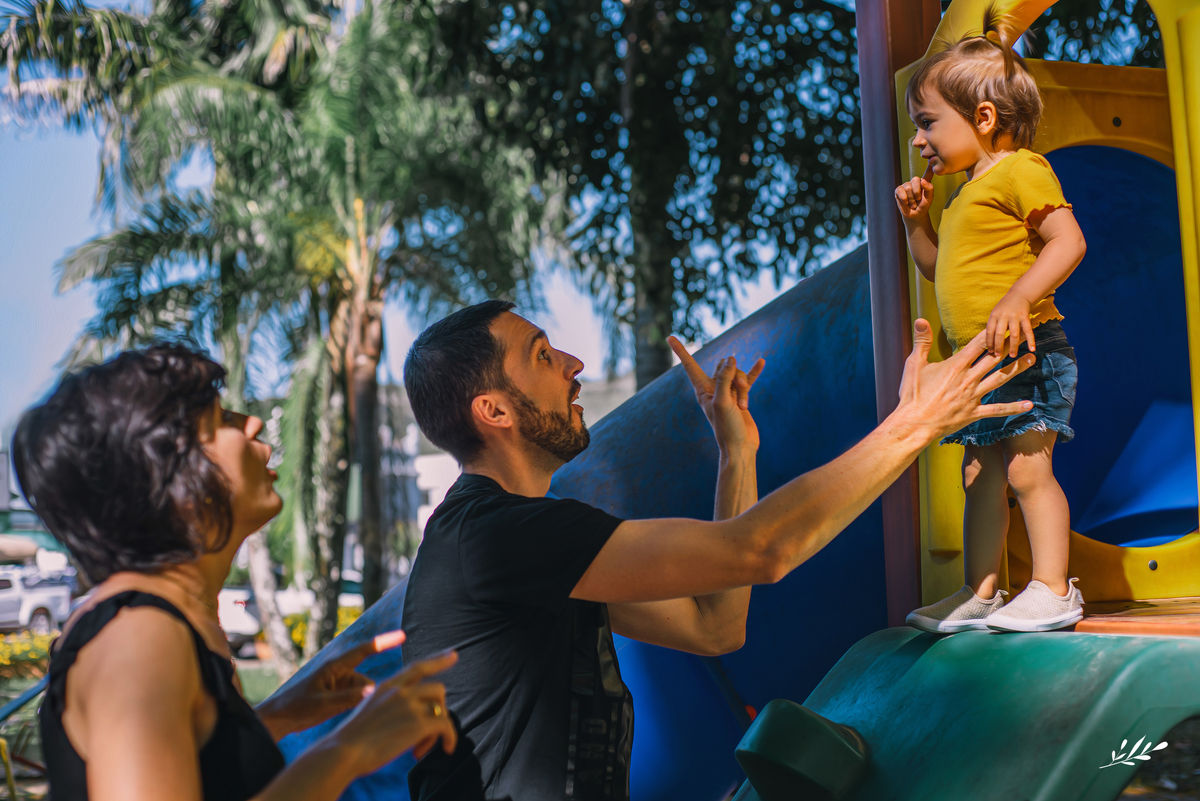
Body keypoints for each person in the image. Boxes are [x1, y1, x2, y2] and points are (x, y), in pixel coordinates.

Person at [399, 298, 1036, 800]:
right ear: (494, 411)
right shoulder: (492, 536)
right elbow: (762, 551)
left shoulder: (520, 541)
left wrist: (738, 453)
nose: (574, 363)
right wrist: (914, 423)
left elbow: (716, 624)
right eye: (542, 356)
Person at [13, 344, 459, 801]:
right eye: (220, 420)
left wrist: (277, 714)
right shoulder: (139, 638)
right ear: (166, 471)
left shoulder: (160, 624)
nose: (252, 423)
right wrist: (351, 748)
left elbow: (197, 773)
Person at [894, 11, 1089, 634]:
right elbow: (936, 271)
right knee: (980, 474)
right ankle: (980, 594)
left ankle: (1053, 589)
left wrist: (1018, 297)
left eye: (927, 124)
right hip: (981, 363)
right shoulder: (960, 197)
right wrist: (918, 226)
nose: (918, 141)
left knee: (1029, 468)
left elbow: (1067, 240)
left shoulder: (1020, 169)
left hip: (1028, 349)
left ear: (982, 119)